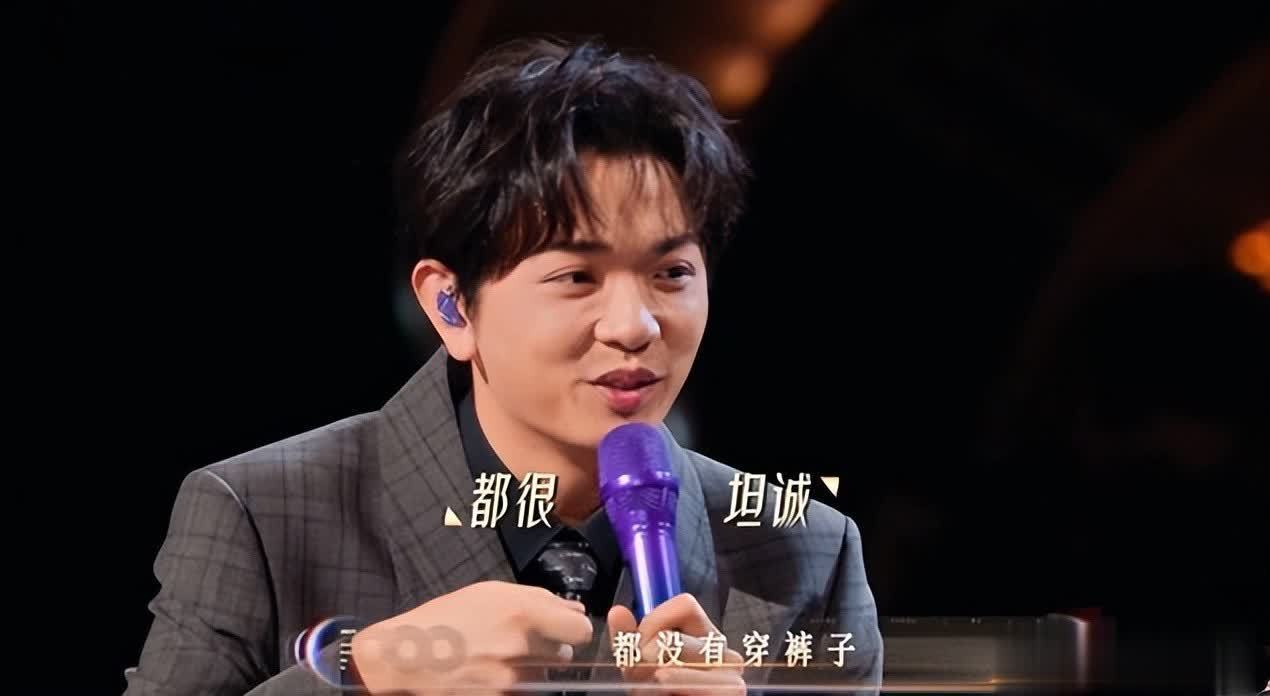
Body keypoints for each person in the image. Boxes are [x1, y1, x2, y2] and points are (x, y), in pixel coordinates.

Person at [123, 36, 883, 696]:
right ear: (452, 306)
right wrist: (370, 672)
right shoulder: (265, 513)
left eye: (671, 273)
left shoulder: (805, 553)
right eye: (577, 277)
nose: (636, 325)